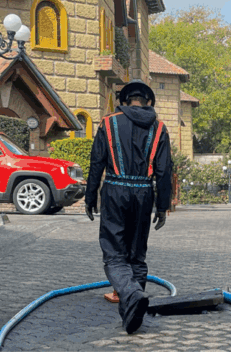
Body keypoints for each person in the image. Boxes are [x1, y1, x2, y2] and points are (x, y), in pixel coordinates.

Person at [84, 80, 173, 334]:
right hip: (144, 192)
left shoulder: (108, 123)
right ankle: (132, 312)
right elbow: (164, 171)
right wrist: (162, 206)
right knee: (136, 255)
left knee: (114, 254)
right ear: (148, 102)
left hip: (115, 189)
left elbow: (96, 163)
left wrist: (90, 197)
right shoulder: (159, 128)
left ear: (124, 101)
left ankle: (132, 293)